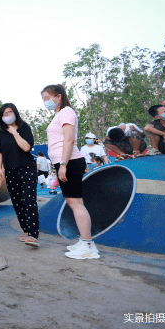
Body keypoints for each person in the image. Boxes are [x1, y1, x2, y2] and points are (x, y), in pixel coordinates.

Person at [42, 84, 99, 259]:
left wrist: (64, 164)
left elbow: (68, 139)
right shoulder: (59, 114)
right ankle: (85, 241)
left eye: (47, 98)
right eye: (43, 99)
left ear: (58, 97)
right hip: (64, 161)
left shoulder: (66, 112)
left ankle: (88, 245)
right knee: (73, 202)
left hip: (70, 161)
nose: (45, 102)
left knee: (76, 203)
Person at [0, 104, 39, 247]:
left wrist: (15, 132)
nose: (7, 116)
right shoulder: (1, 133)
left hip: (26, 168)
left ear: (15, 113)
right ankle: (26, 230)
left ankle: (33, 234)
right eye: (4, 114)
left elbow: (26, 147)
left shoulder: (24, 127)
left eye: (10, 113)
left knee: (28, 200)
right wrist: (0, 168)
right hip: (10, 170)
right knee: (17, 202)